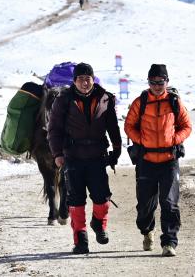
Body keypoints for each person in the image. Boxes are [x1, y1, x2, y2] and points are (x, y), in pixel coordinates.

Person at [48, 63, 122, 255]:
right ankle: (80, 240)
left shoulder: (105, 98)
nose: (84, 82)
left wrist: (117, 148)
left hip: (97, 157)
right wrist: (57, 154)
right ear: (74, 81)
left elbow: (113, 126)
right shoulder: (63, 100)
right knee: (76, 200)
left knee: (102, 198)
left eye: (87, 78)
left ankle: (98, 223)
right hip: (73, 158)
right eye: (80, 79)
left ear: (93, 79)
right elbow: (54, 130)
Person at [124, 63, 192, 257]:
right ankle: (147, 230)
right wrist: (141, 140)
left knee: (169, 202)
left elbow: (186, 126)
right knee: (145, 206)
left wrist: (175, 140)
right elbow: (129, 126)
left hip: (169, 160)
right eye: (152, 82)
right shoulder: (140, 102)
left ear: (166, 82)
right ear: (148, 82)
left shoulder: (174, 102)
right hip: (146, 160)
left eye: (160, 82)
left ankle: (169, 242)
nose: (156, 86)